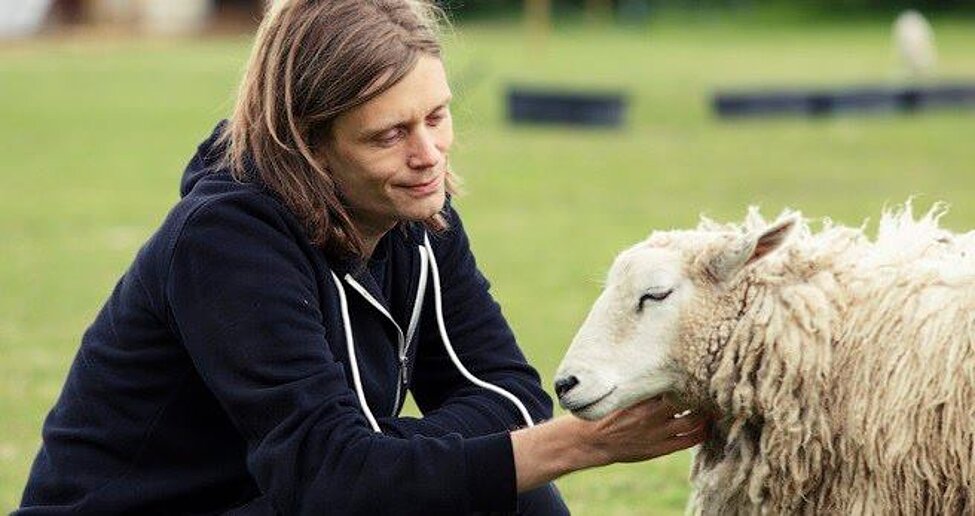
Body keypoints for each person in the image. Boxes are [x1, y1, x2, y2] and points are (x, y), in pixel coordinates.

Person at [18, 1, 708, 514]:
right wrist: (584, 443)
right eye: (388, 135)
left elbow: (504, 392)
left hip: (278, 498)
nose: (427, 155)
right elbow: (330, 482)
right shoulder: (224, 242)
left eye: (437, 117)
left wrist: (389, 463)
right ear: (306, 144)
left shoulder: (417, 214)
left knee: (507, 493)